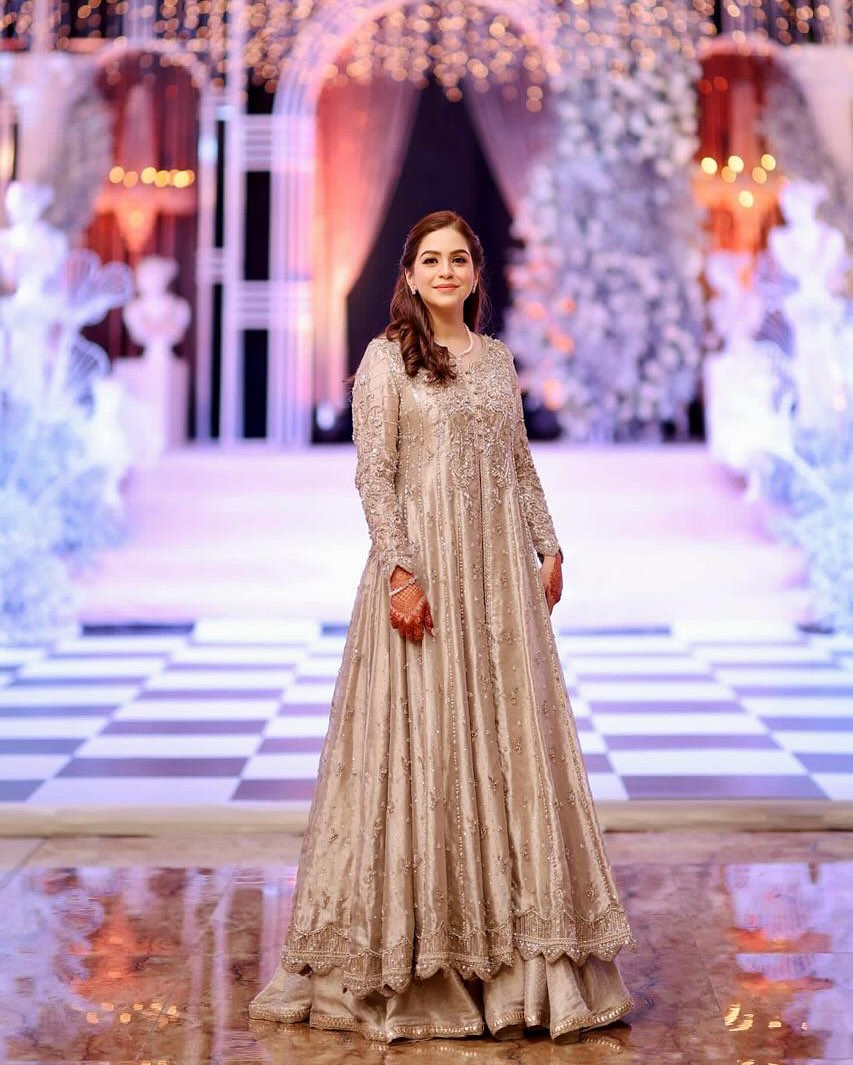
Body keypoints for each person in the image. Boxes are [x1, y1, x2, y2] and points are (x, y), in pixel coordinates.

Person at [249, 210, 635, 1043]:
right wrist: (399, 569)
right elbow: (373, 475)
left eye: (459, 258)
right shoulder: (386, 359)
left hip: (496, 580)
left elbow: (519, 462)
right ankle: (422, 961)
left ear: (475, 271)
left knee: (503, 747)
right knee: (425, 744)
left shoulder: (495, 360)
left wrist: (547, 543)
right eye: (432, 259)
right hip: (422, 572)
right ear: (410, 273)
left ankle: (516, 965)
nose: (446, 270)